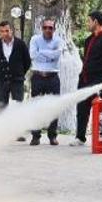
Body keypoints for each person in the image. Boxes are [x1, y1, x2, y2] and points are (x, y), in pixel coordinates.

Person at [71, 11, 102, 146]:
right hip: (85, 79)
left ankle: (101, 138)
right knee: (82, 109)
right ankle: (80, 137)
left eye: (89, 21)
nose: (88, 24)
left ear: (95, 22)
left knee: (100, 109)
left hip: (99, 80)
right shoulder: (88, 40)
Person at [0, 20, 31, 140]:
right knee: (3, 106)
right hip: (2, 80)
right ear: (0, 32)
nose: (5, 33)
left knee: (17, 106)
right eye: (2, 31)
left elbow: (27, 61)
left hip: (17, 80)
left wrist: (19, 73)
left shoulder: (20, 44)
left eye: (7, 31)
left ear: (12, 30)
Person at [29, 18, 64, 146]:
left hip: (53, 77)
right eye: (45, 27)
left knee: (54, 107)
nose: (48, 30)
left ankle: (52, 136)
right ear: (41, 28)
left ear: (54, 29)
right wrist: (50, 53)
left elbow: (57, 55)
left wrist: (41, 52)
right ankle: (35, 136)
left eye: (50, 28)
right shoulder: (34, 39)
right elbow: (33, 55)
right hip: (38, 77)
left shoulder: (59, 40)